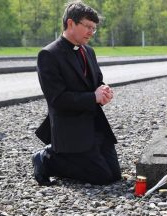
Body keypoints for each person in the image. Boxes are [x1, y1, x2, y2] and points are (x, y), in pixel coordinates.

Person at [32, 1, 121, 186]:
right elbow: (57, 99)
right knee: (102, 177)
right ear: (71, 23)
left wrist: (104, 91)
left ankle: (74, 157)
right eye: (87, 26)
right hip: (70, 130)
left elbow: (96, 82)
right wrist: (93, 97)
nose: (91, 32)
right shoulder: (49, 55)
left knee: (115, 175)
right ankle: (47, 157)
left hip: (95, 126)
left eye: (93, 28)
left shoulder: (89, 51)